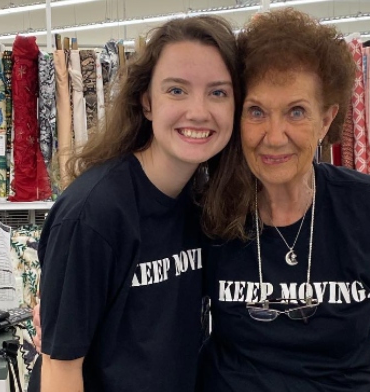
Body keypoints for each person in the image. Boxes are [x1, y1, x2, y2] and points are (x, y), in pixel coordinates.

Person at [197, 9, 370, 391]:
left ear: (327, 120)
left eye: (296, 112)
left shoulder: (369, 205)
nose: (274, 136)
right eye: (257, 112)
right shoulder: (209, 211)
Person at [31, 15, 241, 392]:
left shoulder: (201, 202)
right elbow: (60, 371)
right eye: (177, 90)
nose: (198, 111)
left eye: (218, 92)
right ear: (146, 102)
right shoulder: (92, 215)